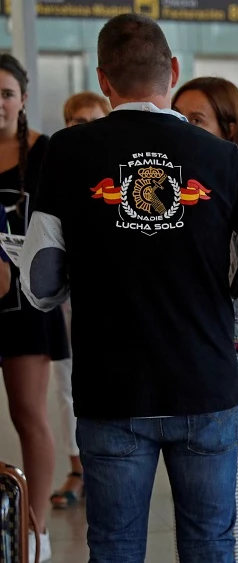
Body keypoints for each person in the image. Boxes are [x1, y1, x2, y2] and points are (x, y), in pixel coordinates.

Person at [18, 14, 238, 562]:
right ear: (173, 71)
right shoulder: (220, 157)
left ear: (104, 80)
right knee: (209, 544)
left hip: (111, 392)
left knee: (115, 546)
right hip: (205, 385)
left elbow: (41, 284)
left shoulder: (66, 152)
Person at [172, 76, 238, 562]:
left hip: (230, 353)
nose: (183, 131)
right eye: (178, 119)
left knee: (236, 488)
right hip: (198, 354)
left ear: (230, 130)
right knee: (214, 496)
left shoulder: (236, 188)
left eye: (196, 120)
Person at [0, 53, 66, 562]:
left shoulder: (45, 152)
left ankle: (35, 527)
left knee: (29, 413)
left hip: (25, 304)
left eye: (6, 93)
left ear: (22, 99)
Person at [49, 90, 113, 512]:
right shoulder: (60, 165)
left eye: (93, 120)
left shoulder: (120, 168)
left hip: (111, 299)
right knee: (67, 385)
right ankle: (78, 467)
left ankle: (106, 466)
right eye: (75, 121)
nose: (83, 127)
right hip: (66, 296)